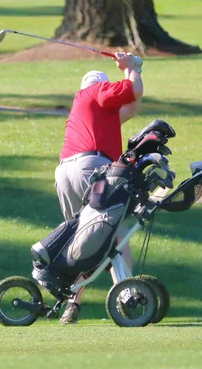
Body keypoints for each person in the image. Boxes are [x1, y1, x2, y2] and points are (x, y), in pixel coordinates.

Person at [54, 51, 144, 324]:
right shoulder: (95, 92)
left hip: (64, 171)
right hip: (90, 167)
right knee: (117, 231)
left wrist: (133, 68)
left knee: (80, 239)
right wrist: (129, 68)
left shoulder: (88, 111)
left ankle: (72, 303)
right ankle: (126, 298)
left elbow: (131, 103)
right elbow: (132, 90)